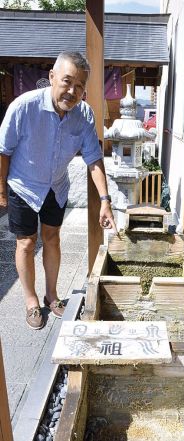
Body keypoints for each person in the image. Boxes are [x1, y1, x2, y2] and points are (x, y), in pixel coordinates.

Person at [0, 51, 117, 330]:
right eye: (67, 82)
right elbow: (3, 150)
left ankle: (51, 295)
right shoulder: (23, 107)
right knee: (26, 243)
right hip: (23, 185)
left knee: (52, 238)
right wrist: (1, 190)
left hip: (56, 186)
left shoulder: (84, 114)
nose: (72, 91)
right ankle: (30, 301)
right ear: (52, 78)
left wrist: (105, 200)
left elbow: (93, 159)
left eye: (79, 87)